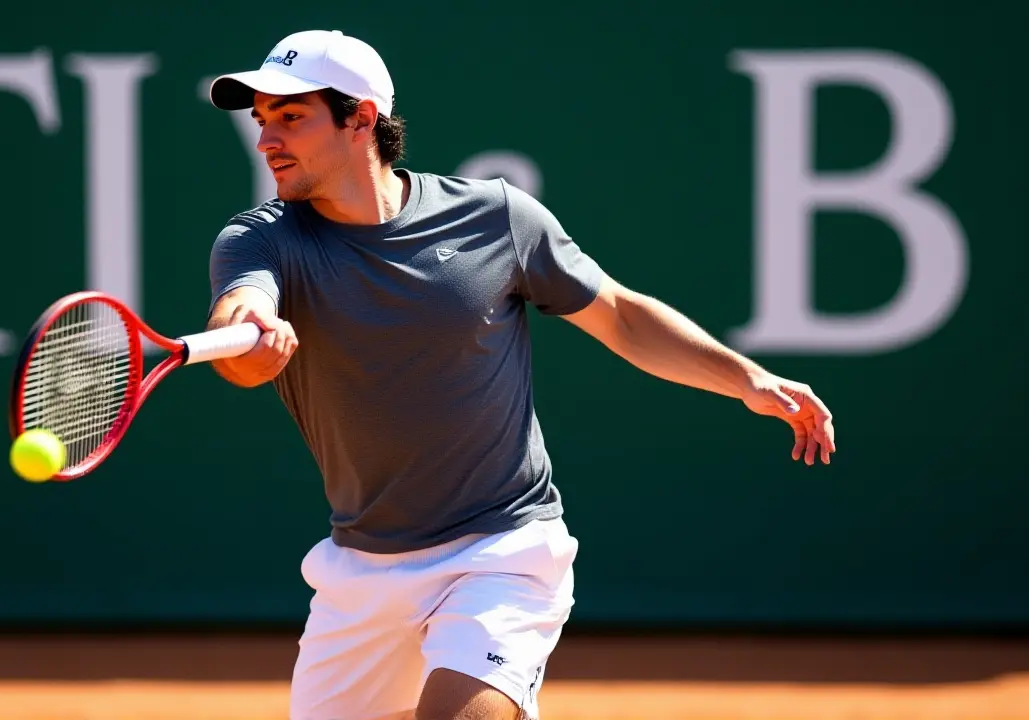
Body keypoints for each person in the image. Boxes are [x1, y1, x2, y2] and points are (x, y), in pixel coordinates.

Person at [204, 29, 836, 720]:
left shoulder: (496, 218)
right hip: (361, 573)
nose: (267, 138)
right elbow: (241, 319)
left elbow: (620, 314)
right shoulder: (258, 237)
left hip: (501, 549)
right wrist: (249, 339)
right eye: (262, 119)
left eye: (291, 117)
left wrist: (745, 379)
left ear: (360, 117)